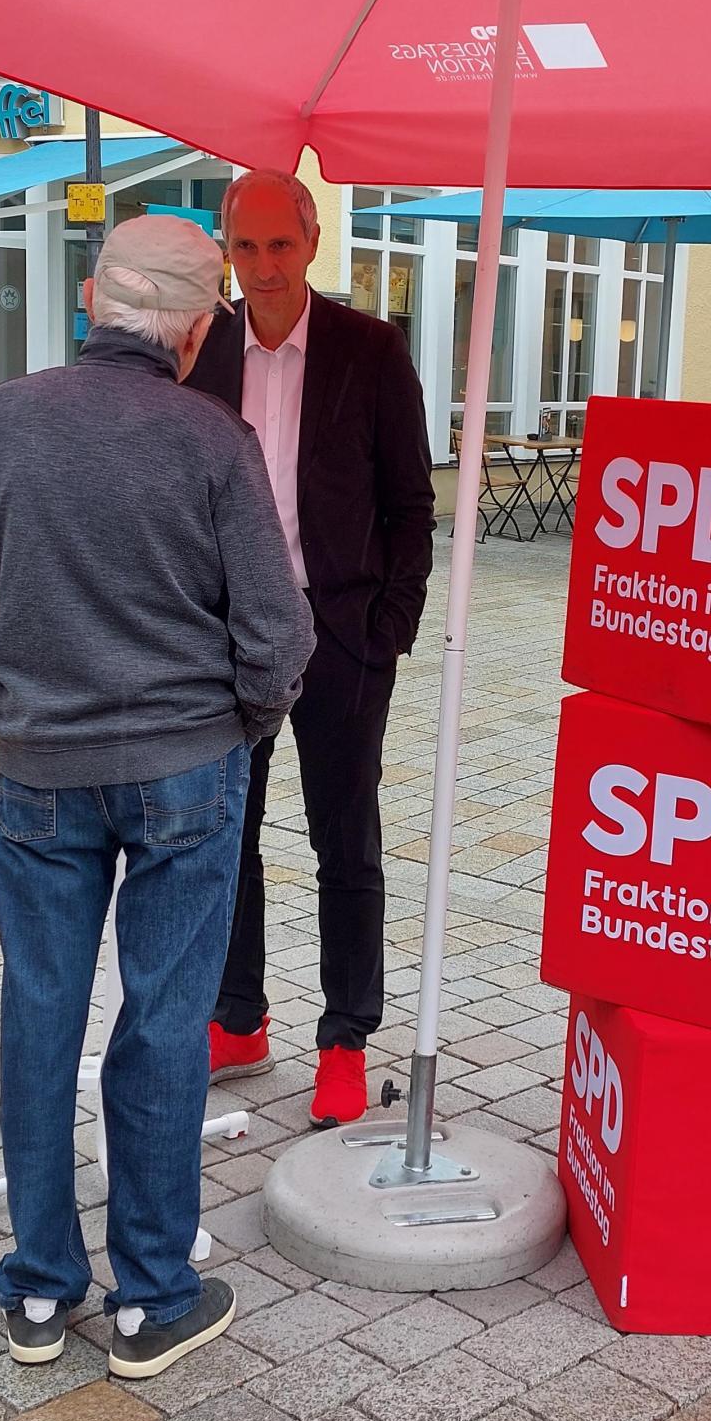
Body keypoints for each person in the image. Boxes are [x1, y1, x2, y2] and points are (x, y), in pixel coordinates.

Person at [0, 215, 312, 1380]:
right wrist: (237, 721)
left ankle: (37, 1289)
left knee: (39, 1016)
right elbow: (278, 637)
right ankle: (151, 1296)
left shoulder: (7, 421)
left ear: (92, 298)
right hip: (188, 772)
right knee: (164, 1022)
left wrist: (18, 706)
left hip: (39, 776)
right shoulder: (215, 438)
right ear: (196, 327)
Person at [193, 168, 437, 1128]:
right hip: (227, 636)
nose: (262, 266)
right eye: (245, 247)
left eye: (279, 246)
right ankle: (239, 1017)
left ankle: (344, 1038)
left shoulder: (370, 351)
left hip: (340, 636)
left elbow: (411, 505)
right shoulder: (200, 348)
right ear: (227, 249)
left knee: (347, 843)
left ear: (312, 243)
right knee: (225, 837)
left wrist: (388, 630)